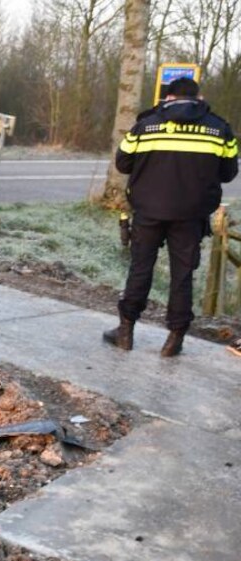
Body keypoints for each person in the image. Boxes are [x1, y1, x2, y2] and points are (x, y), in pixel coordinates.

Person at [103, 77, 238, 356]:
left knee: (140, 268)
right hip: (191, 215)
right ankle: (174, 339)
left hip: (148, 211)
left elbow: (123, 162)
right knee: (183, 275)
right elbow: (228, 172)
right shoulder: (220, 129)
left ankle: (126, 331)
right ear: (198, 98)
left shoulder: (145, 125)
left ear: (168, 97)